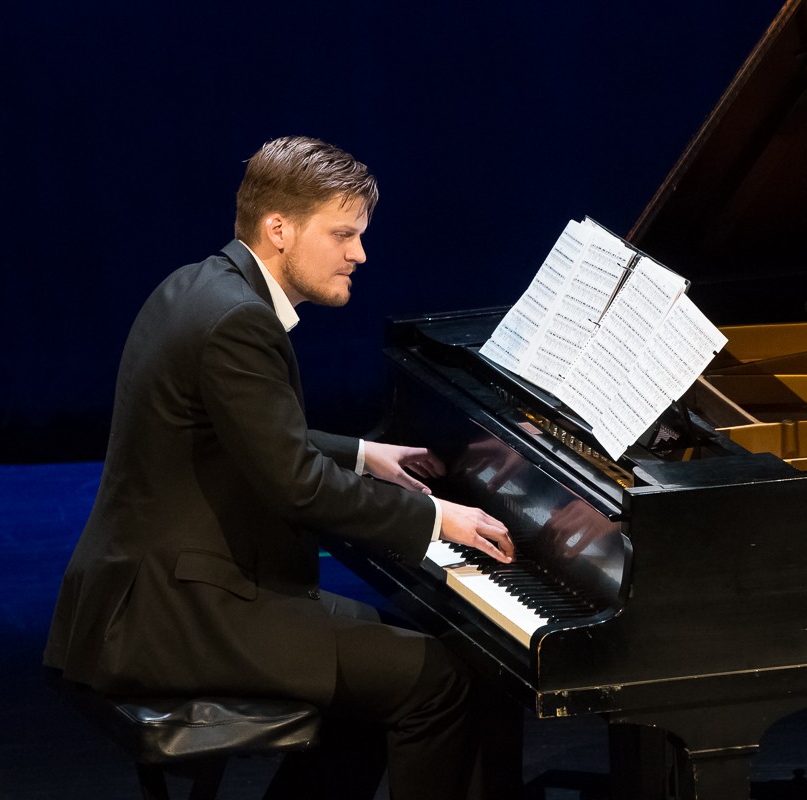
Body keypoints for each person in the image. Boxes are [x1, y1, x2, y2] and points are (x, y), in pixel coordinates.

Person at [44, 135, 522, 798]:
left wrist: (364, 454)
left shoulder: (195, 286)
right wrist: (436, 517)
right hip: (179, 615)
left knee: (411, 670)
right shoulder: (239, 321)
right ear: (279, 229)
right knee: (438, 683)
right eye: (343, 234)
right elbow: (297, 486)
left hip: (145, 594)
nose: (360, 254)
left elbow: (249, 436)